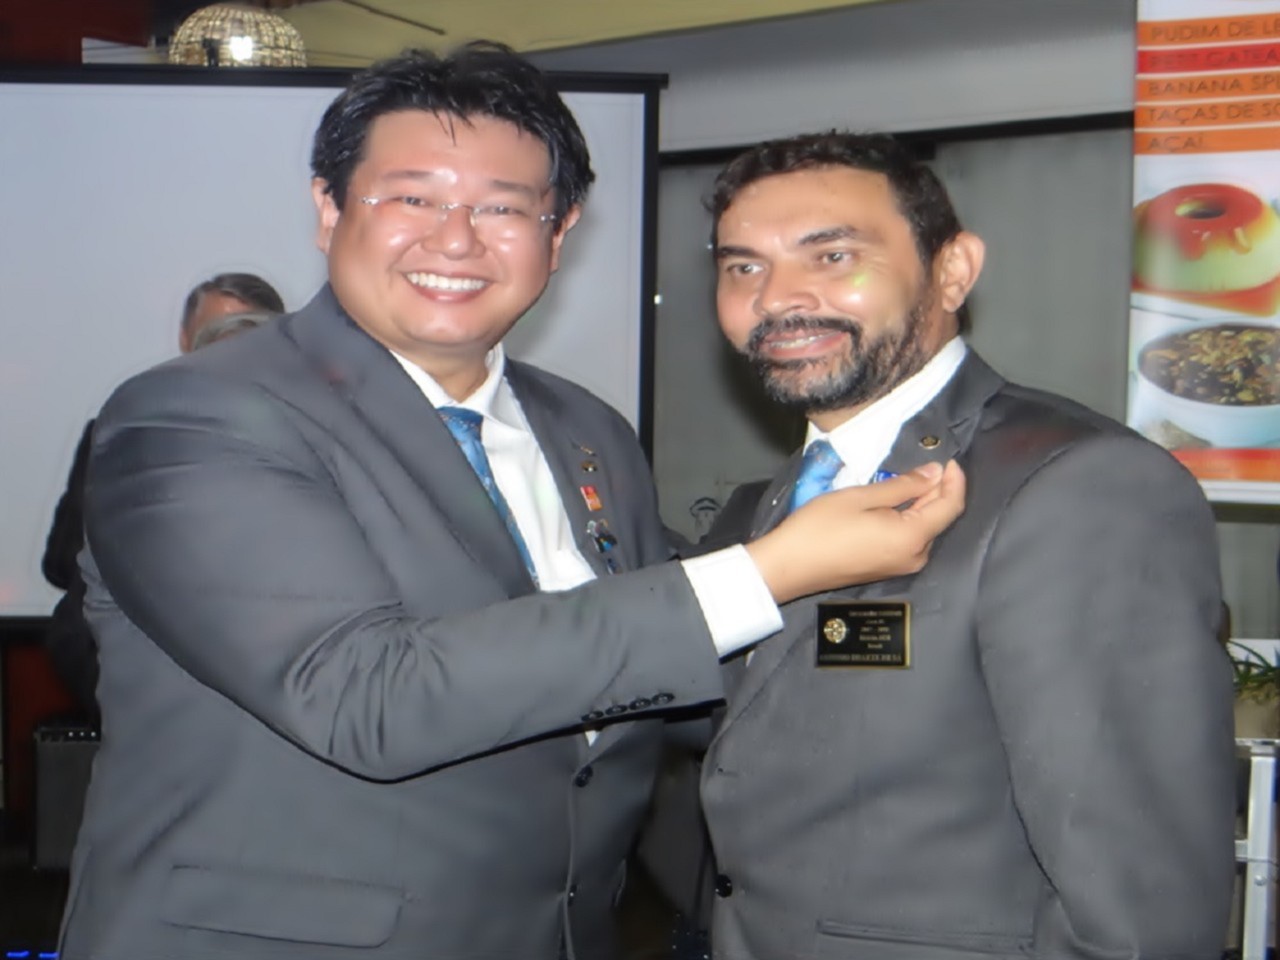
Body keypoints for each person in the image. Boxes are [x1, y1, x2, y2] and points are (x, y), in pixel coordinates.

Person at [59, 49, 963, 960]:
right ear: (329, 208)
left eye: (502, 207)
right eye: (412, 198)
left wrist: (936, 644)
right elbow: (364, 698)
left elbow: (668, 667)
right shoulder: (197, 414)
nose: (455, 241)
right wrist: (768, 571)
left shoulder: (584, 428)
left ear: (558, 234)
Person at [697, 132, 1236, 959]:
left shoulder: (1079, 486)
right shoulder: (760, 508)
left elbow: (1141, 906)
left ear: (952, 271)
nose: (778, 297)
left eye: (833, 255)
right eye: (743, 267)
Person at [40, 275, 285, 720]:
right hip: (132, 689)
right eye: (216, 338)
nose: (229, 355)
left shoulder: (314, 446)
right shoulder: (120, 436)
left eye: (247, 340)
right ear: (186, 339)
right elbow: (62, 566)